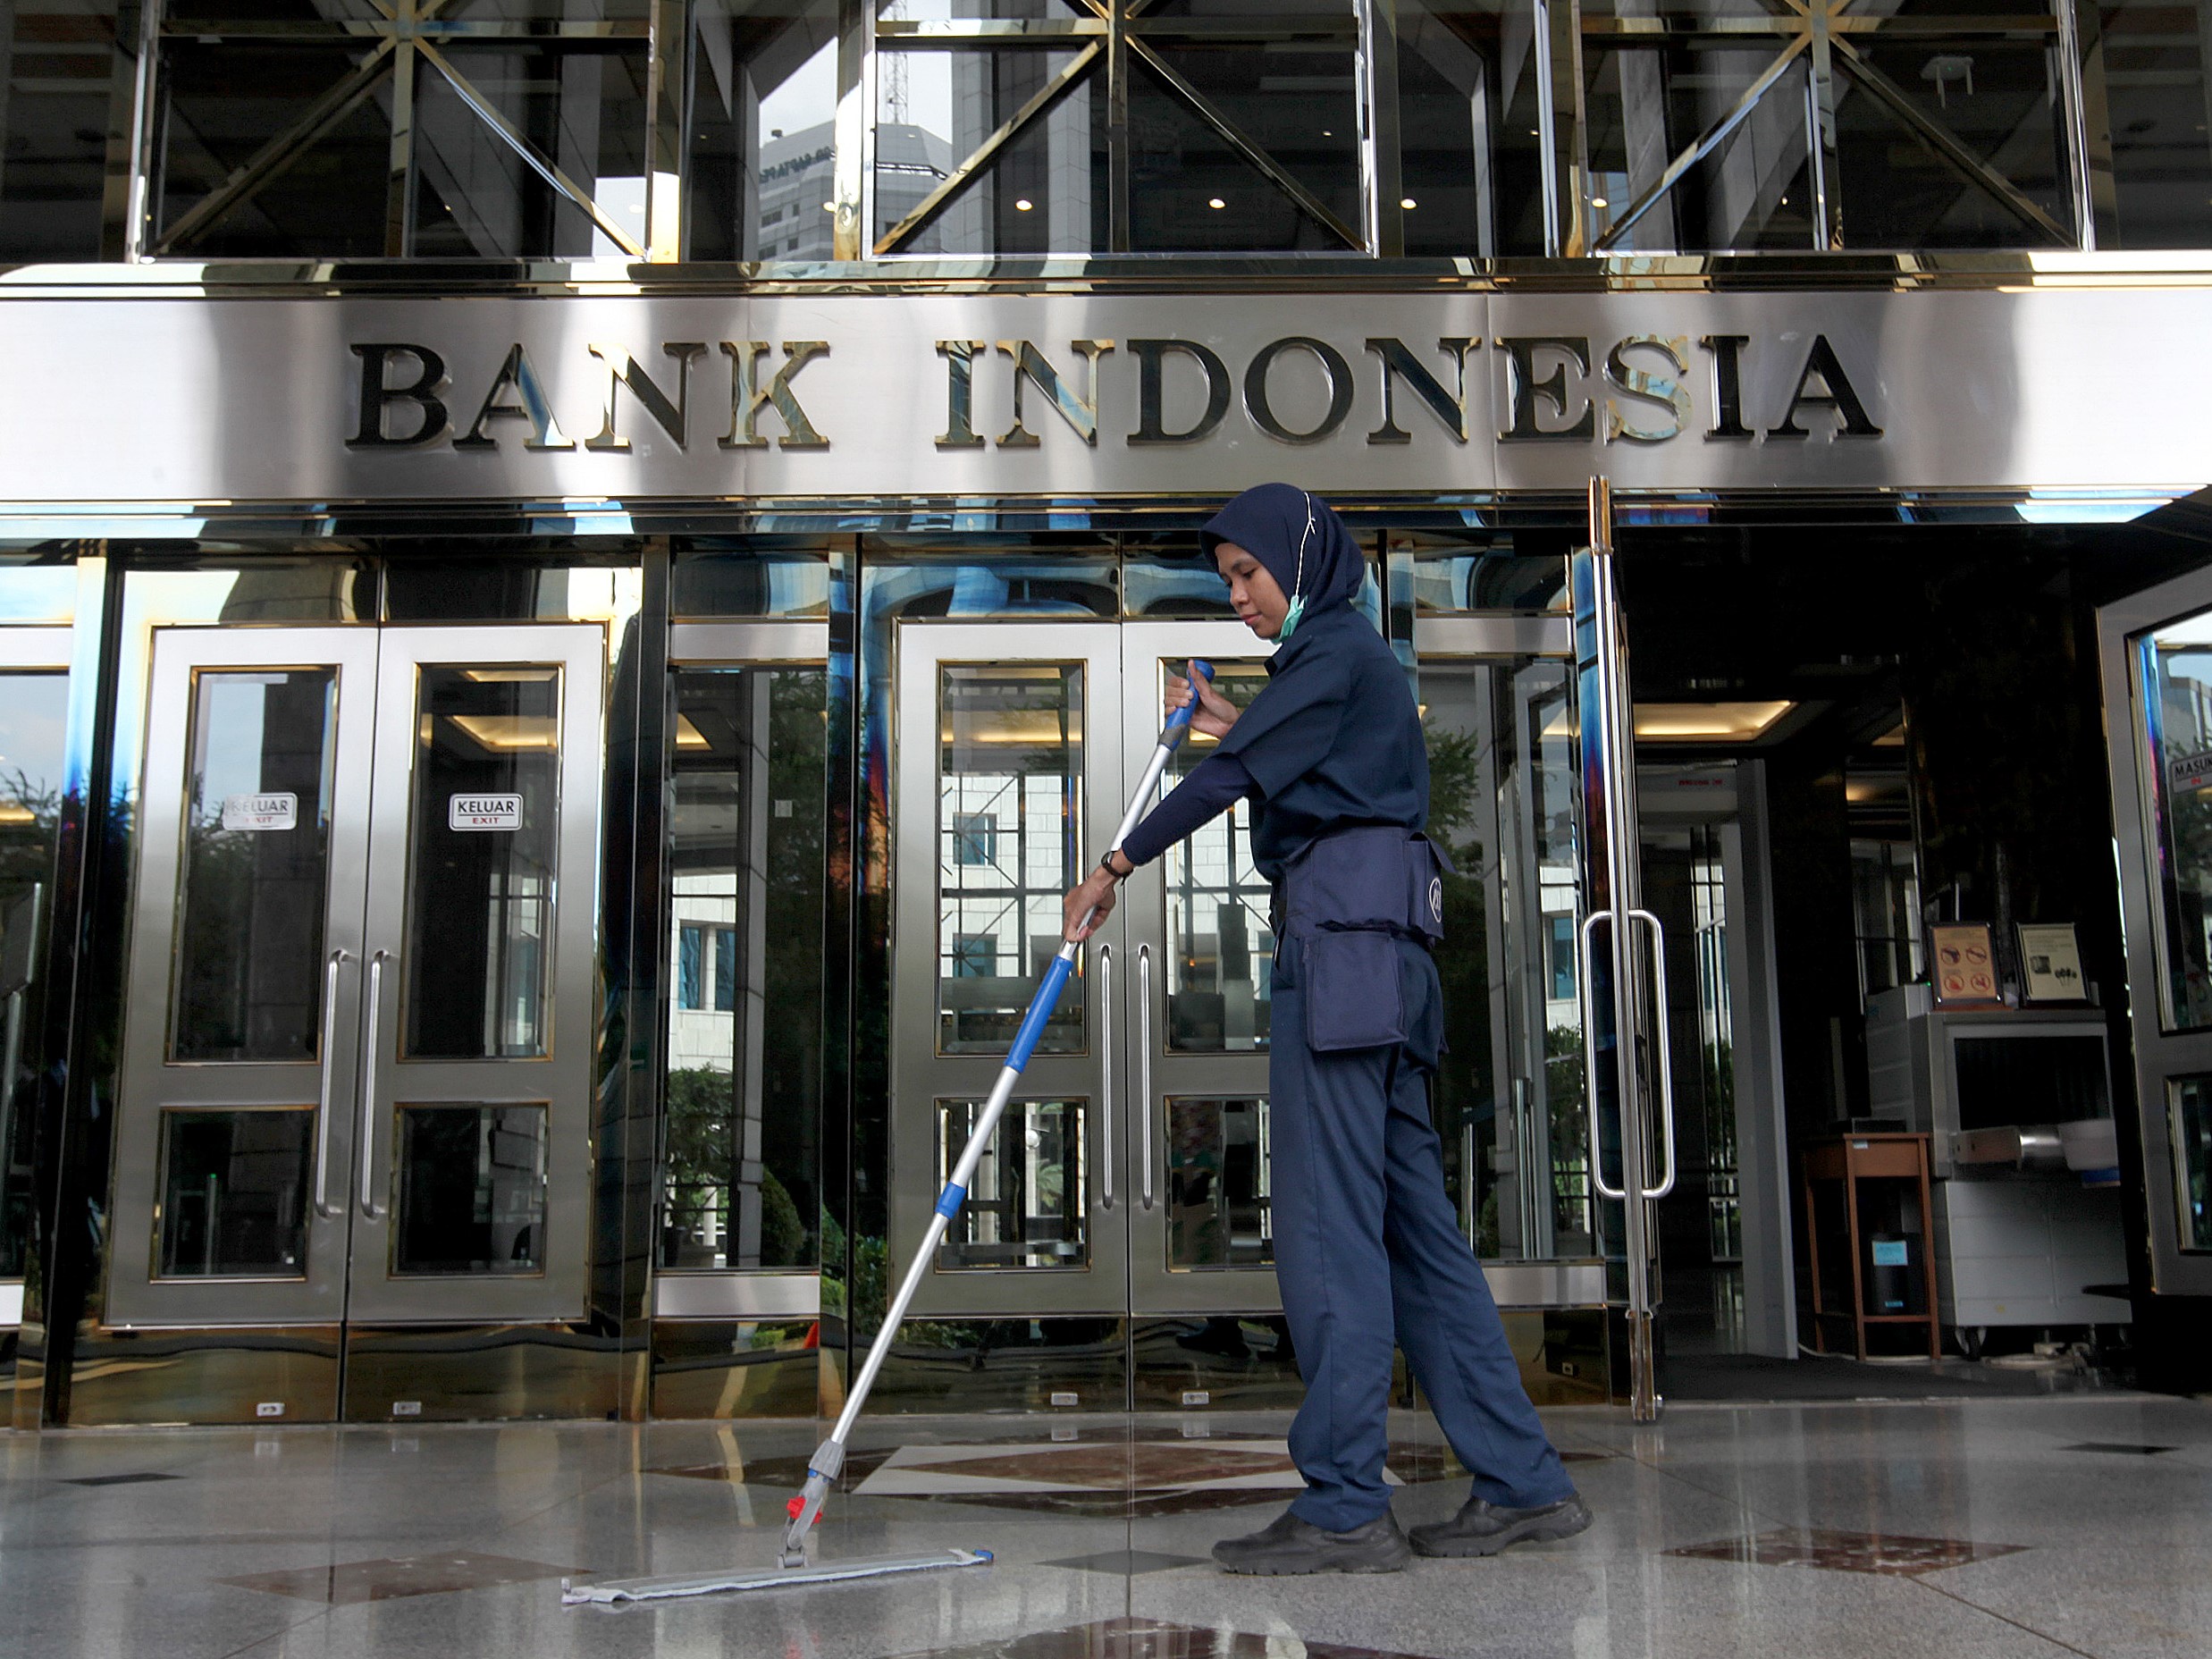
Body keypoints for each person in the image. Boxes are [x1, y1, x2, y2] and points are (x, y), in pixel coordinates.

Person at [1062, 483, 1591, 1576]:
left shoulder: (1332, 649)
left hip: (1341, 962)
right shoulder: (1351, 660)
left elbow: (1234, 775)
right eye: (1227, 580)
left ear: (1300, 559)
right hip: (1389, 966)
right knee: (1418, 1235)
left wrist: (1113, 864)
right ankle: (1525, 1480)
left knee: (1328, 1227)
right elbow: (1301, 753)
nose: (1238, 596)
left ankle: (1347, 1501)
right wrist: (1235, 720)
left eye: (1248, 574)